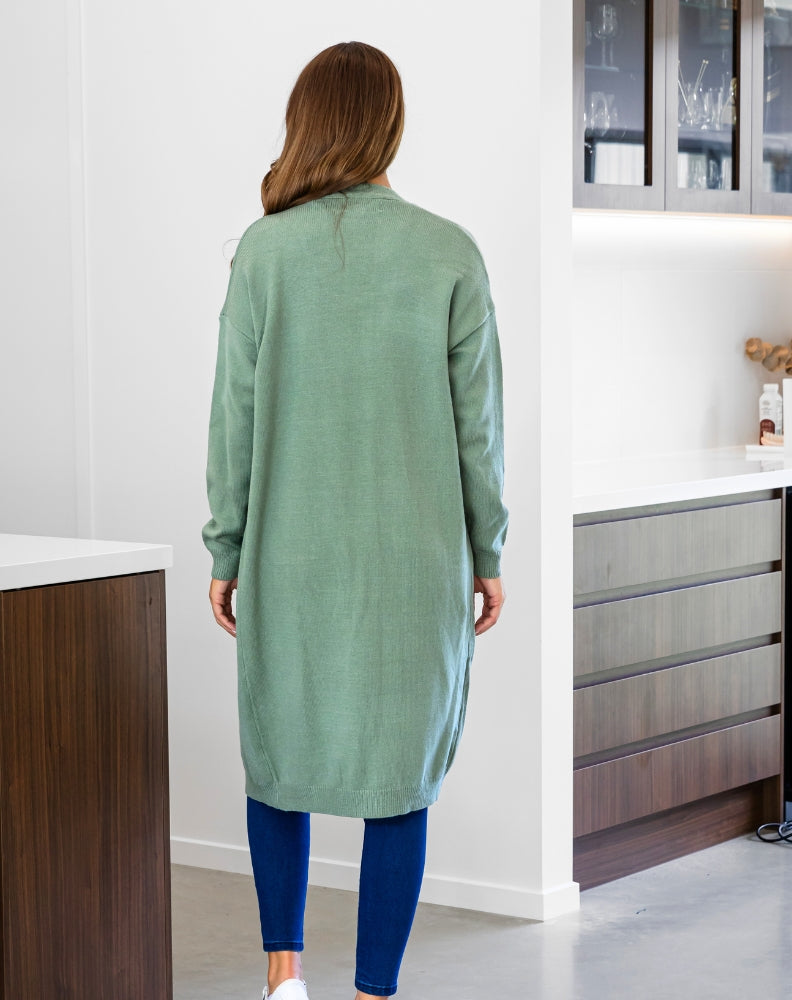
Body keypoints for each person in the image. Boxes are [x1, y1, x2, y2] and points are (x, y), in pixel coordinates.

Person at [202, 40, 508, 1000]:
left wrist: (226, 547)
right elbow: (479, 430)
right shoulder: (449, 252)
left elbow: (233, 417)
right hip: (417, 564)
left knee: (278, 759)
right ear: (390, 125)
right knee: (398, 778)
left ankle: (283, 979)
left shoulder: (264, 252)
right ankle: (375, 992)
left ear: (307, 122)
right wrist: (488, 551)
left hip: (288, 556)